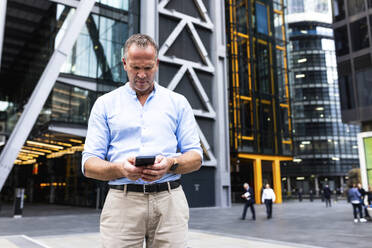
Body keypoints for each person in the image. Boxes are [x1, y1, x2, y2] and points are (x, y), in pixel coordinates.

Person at [82, 34, 203, 248]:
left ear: (156, 64)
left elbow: (195, 157)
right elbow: (89, 164)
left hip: (170, 201)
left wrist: (170, 164)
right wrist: (121, 169)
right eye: (135, 67)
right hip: (122, 202)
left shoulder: (178, 103)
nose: (141, 75)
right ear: (124, 64)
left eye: (147, 68)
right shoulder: (104, 104)